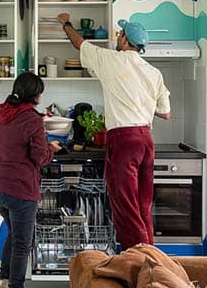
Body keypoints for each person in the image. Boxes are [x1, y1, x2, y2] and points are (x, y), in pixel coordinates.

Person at [58, 13, 172, 250]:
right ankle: (151, 259)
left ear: (125, 40)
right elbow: (166, 112)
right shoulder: (153, 72)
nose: (118, 36)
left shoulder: (110, 60)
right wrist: (142, 103)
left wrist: (65, 23)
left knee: (125, 205)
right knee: (142, 205)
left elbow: (79, 42)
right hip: (145, 140)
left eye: (120, 34)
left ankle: (137, 261)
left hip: (124, 140)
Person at [0, 72, 61, 288]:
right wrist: (51, 147)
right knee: (22, 242)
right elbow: (40, 157)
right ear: (36, 96)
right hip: (20, 190)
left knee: (13, 234)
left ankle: (5, 283)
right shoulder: (31, 119)